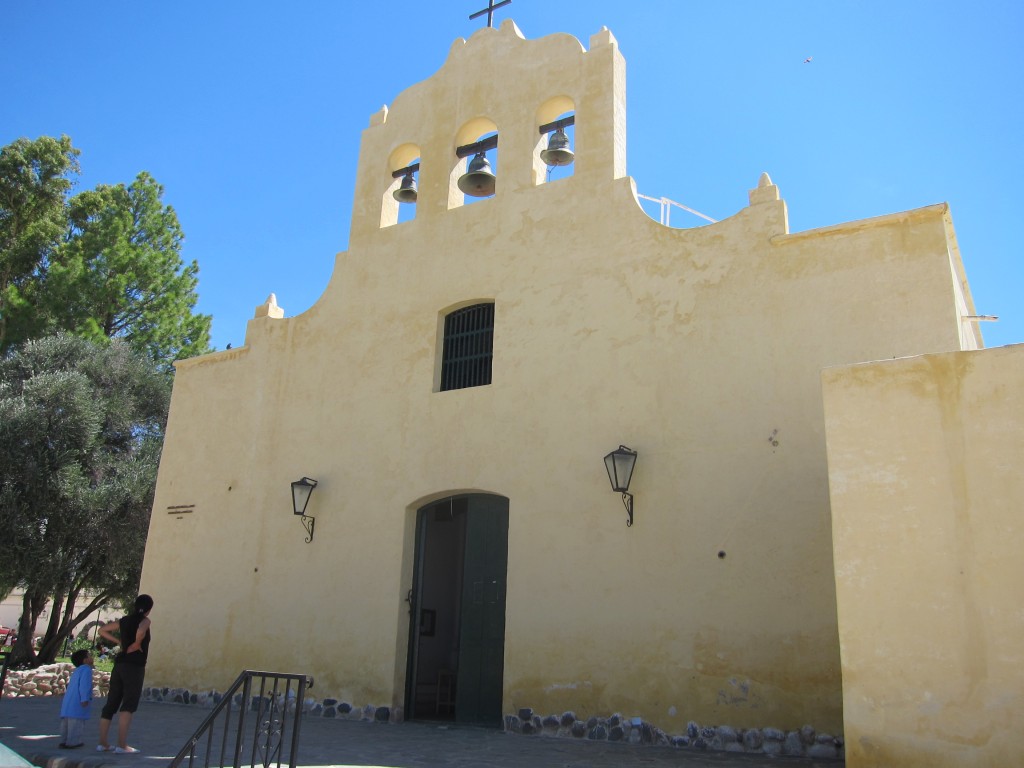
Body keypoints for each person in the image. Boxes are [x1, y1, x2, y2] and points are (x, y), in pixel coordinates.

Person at [97, 594, 153, 754]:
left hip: (119, 664)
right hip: (134, 666)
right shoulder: (146, 620)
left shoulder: (124, 621)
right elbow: (142, 630)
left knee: (111, 702)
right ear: (149, 609)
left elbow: (102, 630)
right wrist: (136, 643)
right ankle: (122, 745)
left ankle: (102, 742)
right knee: (128, 704)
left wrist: (120, 642)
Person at [58, 648, 94, 748]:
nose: (92, 658)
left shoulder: (77, 670)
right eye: (89, 656)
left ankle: (64, 741)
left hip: (68, 703)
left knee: (66, 724)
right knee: (76, 724)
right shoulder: (86, 670)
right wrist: (84, 698)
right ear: (85, 660)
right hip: (77, 703)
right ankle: (74, 742)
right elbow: (84, 685)